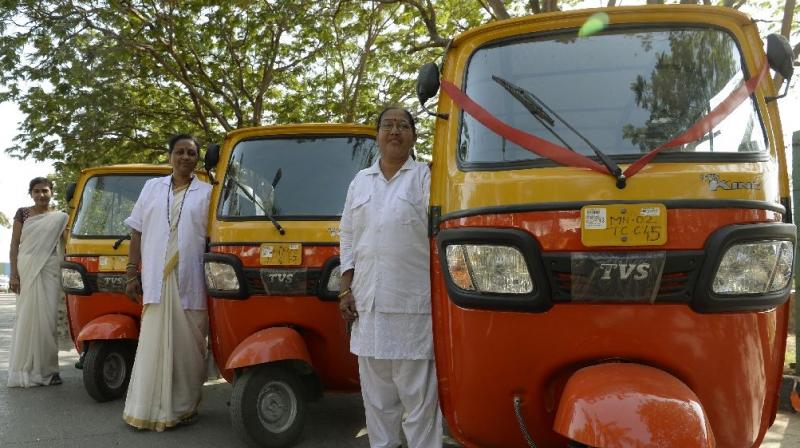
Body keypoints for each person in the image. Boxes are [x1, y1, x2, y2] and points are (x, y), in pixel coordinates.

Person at [338, 107, 442, 448]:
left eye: (402, 125)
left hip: (413, 305)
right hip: (368, 305)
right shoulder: (360, 181)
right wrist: (345, 288)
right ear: (378, 135)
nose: (394, 131)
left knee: (419, 401)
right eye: (387, 125)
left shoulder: (426, 177)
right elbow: (348, 236)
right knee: (378, 400)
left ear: (413, 135)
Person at [122, 134, 211, 431]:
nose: (186, 157)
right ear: (170, 156)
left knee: (189, 349)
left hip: (191, 278)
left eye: (191, 153)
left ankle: (183, 407)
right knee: (153, 345)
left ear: (197, 159)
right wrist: (131, 271)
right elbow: (136, 231)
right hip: (156, 279)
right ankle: (145, 408)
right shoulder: (151, 188)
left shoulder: (209, 192)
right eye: (180, 152)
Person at [7, 177, 69, 388]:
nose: (41, 195)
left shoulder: (60, 218)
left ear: (52, 192)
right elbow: (14, 244)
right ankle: (27, 369)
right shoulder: (22, 213)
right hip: (27, 268)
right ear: (31, 194)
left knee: (48, 321)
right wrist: (14, 274)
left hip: (50, 268)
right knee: (27, 318)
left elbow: (65, 246)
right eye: (36, 191)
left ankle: (50, 370)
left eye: (44, 191)